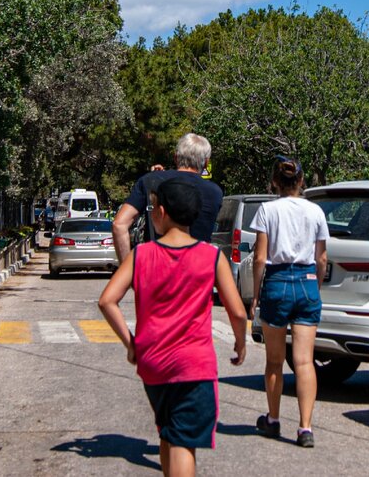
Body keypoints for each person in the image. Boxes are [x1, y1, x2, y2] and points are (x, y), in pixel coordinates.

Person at [98, 176, 247, 477]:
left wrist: (131, 344)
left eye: (153, 207)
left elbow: (107, 301)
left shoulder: (140, 255)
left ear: (162, 213)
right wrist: (241, 342)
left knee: (168, 432)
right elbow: (238, 313)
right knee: (183, 442)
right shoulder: (211, 257)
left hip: (153, 363)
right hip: (194, 365)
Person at [249, 156, 329, 448]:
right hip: (307, 281)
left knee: (274, 360)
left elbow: (260, 258)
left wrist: (256, 294)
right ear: (301, 181)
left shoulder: (267, 210)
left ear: (274, 182)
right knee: (305, 361)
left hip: (277, 282)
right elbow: (322, 258)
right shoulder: (316, 211)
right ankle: (305, 428)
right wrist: (315, 286)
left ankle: (273, 418)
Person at [113, 133, 223, 262]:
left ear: (176, 157)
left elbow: (119, 225)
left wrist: (129, 270)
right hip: (198, 270)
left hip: (156, 269)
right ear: (206, 163)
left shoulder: (150, 181)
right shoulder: (215, 192)